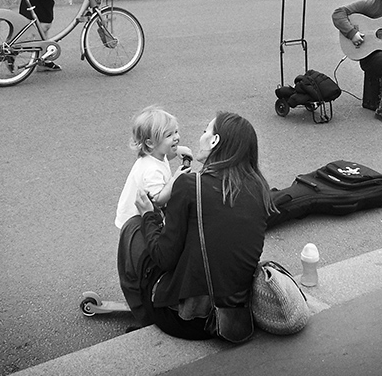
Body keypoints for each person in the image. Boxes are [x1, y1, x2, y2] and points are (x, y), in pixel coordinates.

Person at [117, 111, 275, 337]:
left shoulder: (190, 186)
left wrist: (148, 215)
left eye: (205, 131)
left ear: (215, 141)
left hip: (188, 320)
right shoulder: (259, 187)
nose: (200, 136)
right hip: (234, 316)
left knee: (133, 226)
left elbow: (164, 256)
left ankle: (144, 313)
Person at [115, 106, 193, 229]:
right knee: (141, 247)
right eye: (169, 135)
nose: (176, 137)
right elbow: (158, 199)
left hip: (137, 216)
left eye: (176, 131)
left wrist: (177, 150)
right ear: (150, 143)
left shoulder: (156, 154)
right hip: (135, 222)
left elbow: (166, 157)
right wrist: (175, 179)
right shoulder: (152, 170)